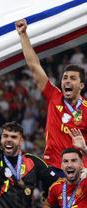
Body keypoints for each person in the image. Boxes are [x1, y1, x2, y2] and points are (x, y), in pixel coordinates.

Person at [16, 19, 87, 171]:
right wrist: (23, 34)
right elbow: (34, 66)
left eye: (73, 78)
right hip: (53, 167)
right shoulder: (54, 95)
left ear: (81, 86)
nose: (67, 81)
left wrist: (85, 148)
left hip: (80, 172)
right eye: (65, 78)